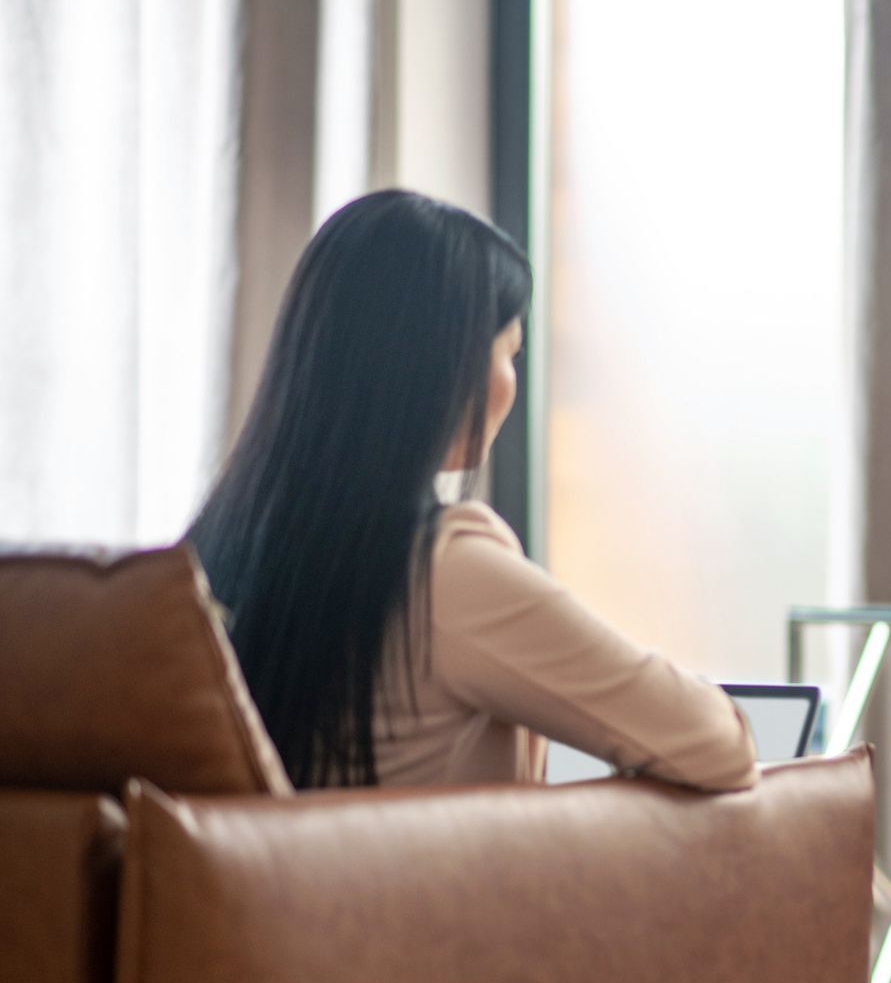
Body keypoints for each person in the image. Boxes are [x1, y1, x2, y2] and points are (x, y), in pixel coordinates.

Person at [188, 190, 756, 791]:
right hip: (415, 888)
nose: (510, 383)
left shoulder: (210, 553)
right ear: (442, 369)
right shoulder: (446, 573)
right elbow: (717, 744)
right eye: (508, 352)